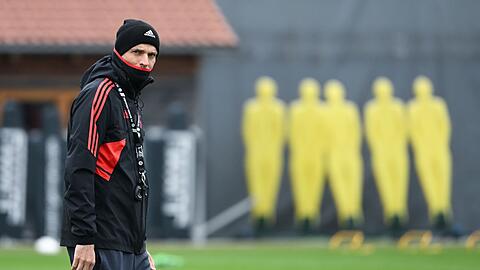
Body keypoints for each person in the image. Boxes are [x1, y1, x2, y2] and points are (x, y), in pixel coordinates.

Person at [61, 19, 159, 270]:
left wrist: (140, 248)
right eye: (137, 52)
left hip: (131, 246)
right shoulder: (98, 94)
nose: (145, 62)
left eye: (152, 54)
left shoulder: (129, 98)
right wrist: (84, 239)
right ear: (119, 52)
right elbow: (79, 169)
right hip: (100, 241)